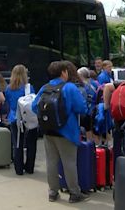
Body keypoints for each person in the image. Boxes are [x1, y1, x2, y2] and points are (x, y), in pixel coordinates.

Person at [32, 61, 89, 203]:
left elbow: (34, 106)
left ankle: (53, 192)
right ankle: (74, 193)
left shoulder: (45, 87)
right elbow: (82, 108)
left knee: (51, 161)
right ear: (64, 72)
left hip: (48, 130)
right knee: (69, 162)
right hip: (67, 131)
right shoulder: (69, 87)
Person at [5, 64, 38, 175]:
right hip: (28, 119)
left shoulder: (8, 88)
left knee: (17, 144)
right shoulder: (28, 87)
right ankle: (29, 167)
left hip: (14, 118)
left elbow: (8, 104)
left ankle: (18, 169)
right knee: (31, 144)